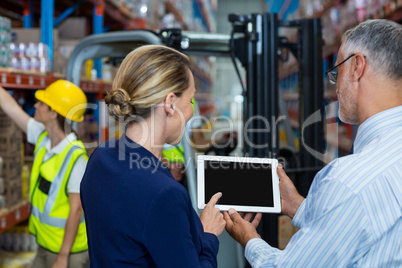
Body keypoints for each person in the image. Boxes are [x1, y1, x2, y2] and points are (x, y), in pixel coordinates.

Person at [223, 19, 402, 267]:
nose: (336, 87)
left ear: (357, 67)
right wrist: (299, 206)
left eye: (336, 72)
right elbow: (363, 223)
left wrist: (250, 239)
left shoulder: (348, 181)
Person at [80, 45, 226, 267]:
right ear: (169, 103)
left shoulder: (100, 157)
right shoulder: (164, 194)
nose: (191, 111)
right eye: (191, 100)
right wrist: (207, 236)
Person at [0, 80, 89, 268]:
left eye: (41, 103)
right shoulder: (42, 137)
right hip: (44, 244)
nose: (35, 106)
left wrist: (63, 257)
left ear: (53, 112)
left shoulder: (76, 158)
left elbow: (76, 210)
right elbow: (10, 106)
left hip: (69, 252)